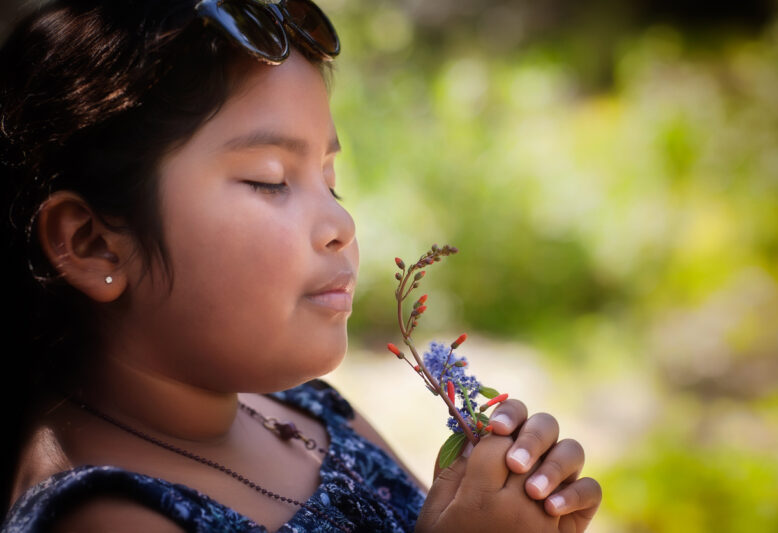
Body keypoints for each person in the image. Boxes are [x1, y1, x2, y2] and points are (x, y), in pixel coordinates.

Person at [0, 0, 602, 531]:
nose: (341, 226)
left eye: (330, 181)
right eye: (270, 181)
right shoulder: (105, 515)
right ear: (92, 244)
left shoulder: (311, 414)